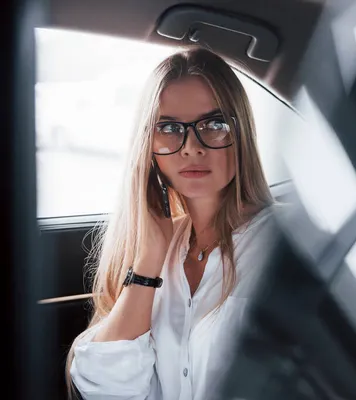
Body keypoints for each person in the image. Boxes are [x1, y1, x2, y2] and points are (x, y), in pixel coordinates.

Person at [66, 47, 280, 400]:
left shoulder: (287, 243)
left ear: (241, 133)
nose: (191, 147)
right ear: (147, 146)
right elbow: (107, 388)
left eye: (214, 124)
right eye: (168, 128)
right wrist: (149, 258)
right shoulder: (159, 251)